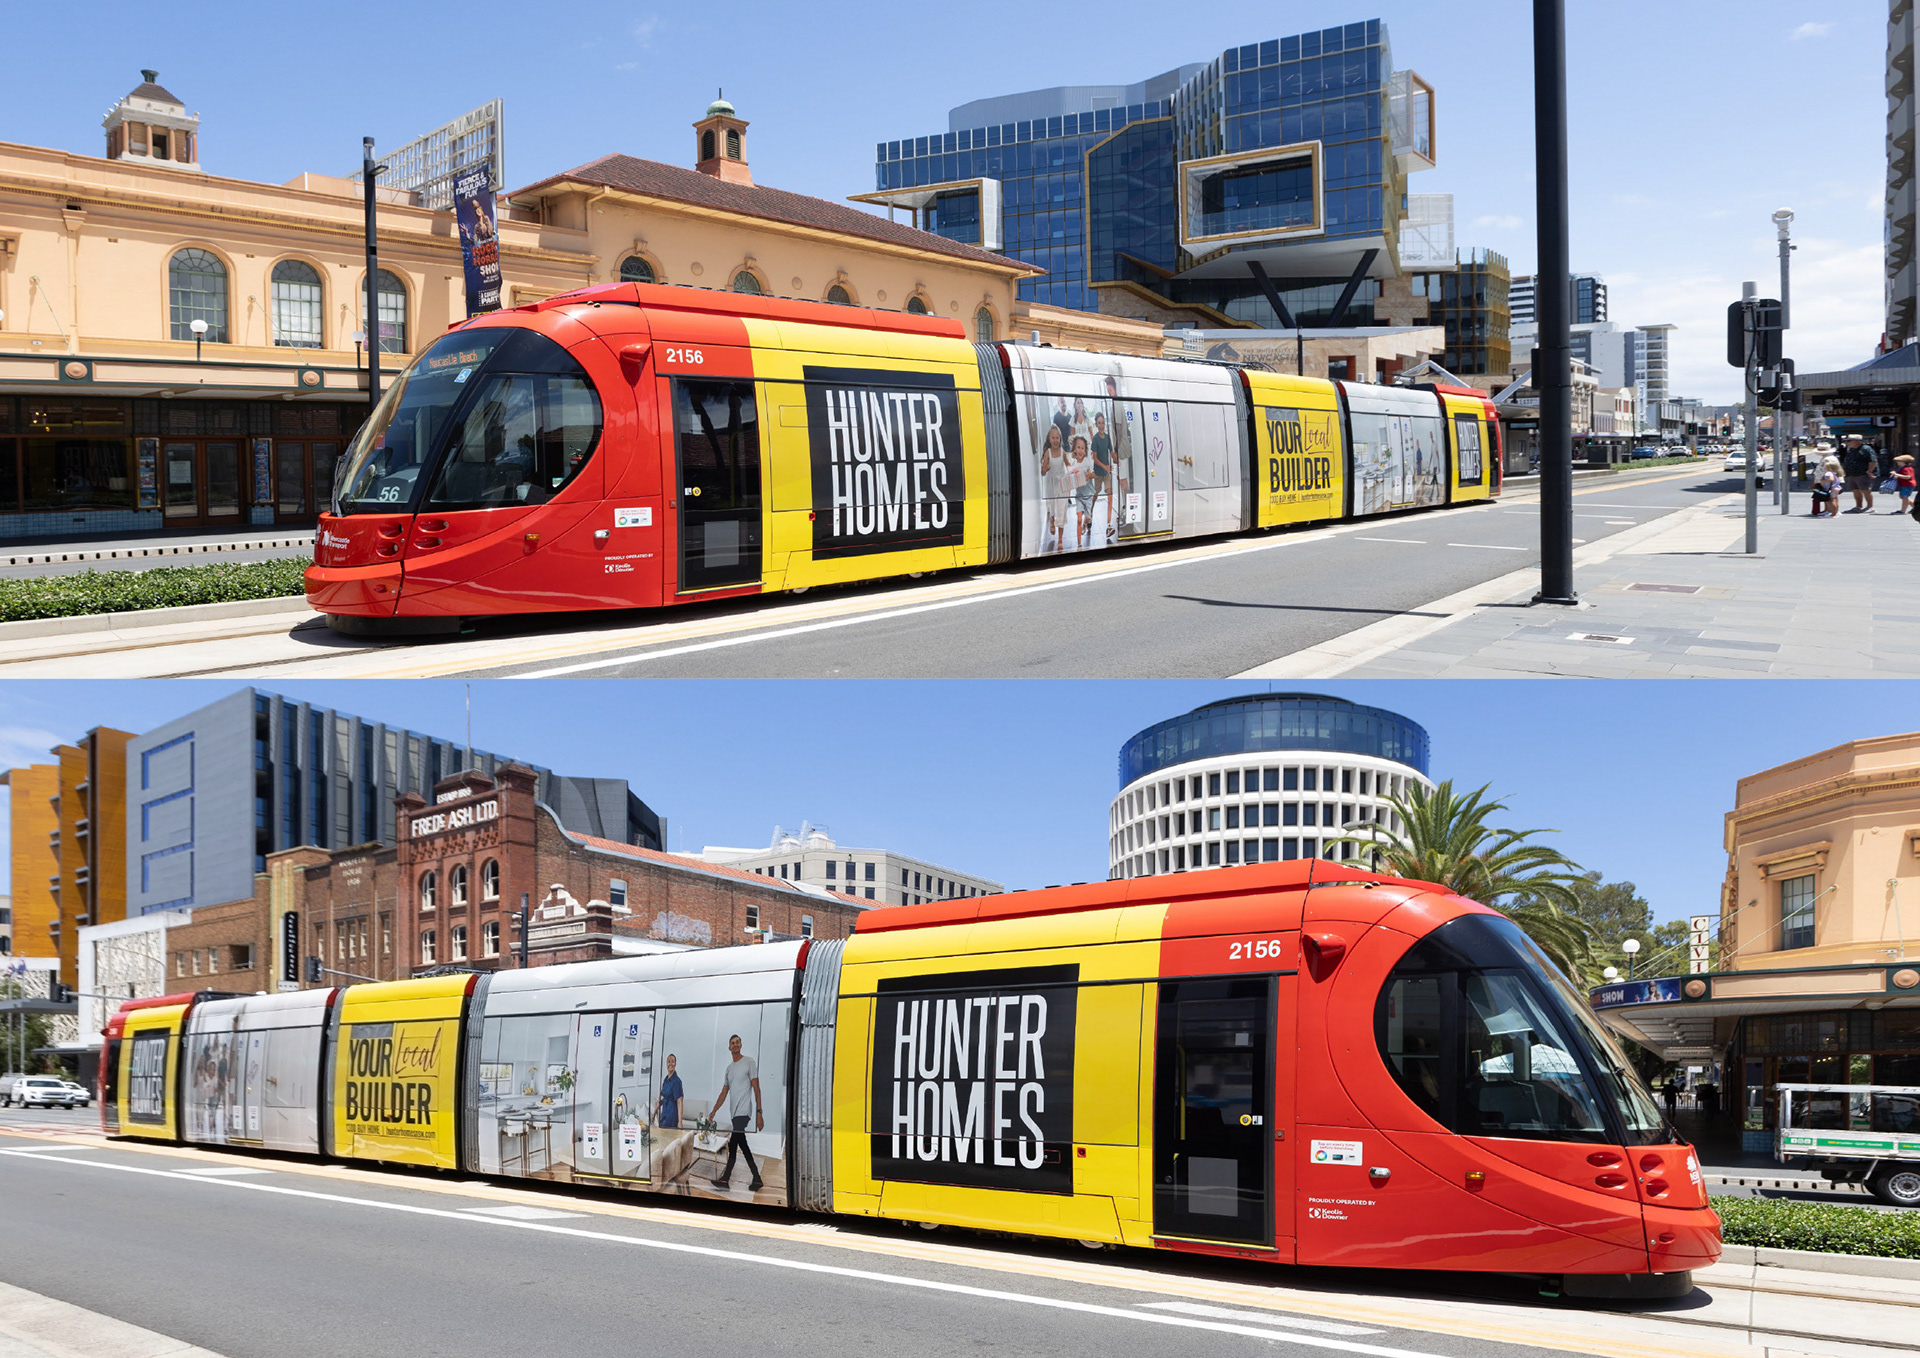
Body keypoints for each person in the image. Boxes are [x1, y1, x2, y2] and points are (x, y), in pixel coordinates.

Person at [708, 1033, 763, 1193]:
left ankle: (725, 1178)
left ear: (741, 1045)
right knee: (742, 1145)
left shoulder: (749, 1062)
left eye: (738, 1042)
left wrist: (759, 1112)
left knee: (733, 1144)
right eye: (732, 1043)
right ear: (729, 1047)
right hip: (734, 1113)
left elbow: (756, 1088)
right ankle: (757, 1178)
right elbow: (723, 1093)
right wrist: (713, 1111)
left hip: (744, 1112)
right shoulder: (729, 1069)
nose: (735, 1044)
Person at [1089, 412, 1116, 541]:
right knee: (1095, 496)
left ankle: (1108, 526)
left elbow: (1111, 452)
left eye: (1103, 423)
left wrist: (1116, 458)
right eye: (1099, 423)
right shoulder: (1095, 439)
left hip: (1106, 474)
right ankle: (1090, 514)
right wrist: (1104, 466)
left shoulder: (1108, 437)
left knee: (1110, 496)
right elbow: (1094, 458)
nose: (1101, 425)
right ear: (1096, 424)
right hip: (1098, 473)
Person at [1841, 435, 1878, 512]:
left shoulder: (1865, 449)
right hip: (1852, 474)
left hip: (1862, 473)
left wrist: (1870, 471)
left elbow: (1873, 461)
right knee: (1855, 490)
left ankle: (1870, 507)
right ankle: (1858, 506)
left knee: (1865, 490)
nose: (1847, 443)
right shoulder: (1851, 450)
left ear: (1857, 441)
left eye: (1849, 441)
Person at [655, 1052, 684, 1129]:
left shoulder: (677, 1081)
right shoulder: (665, 1080)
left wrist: (680, 1122)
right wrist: (654, 1113)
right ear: (666, 1064)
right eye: (668, 1061)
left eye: (672, 1061)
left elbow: (680, 1101)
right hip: (664, 1114)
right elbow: (661, 1097)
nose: (670, 1064)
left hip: (672, 1116)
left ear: (675, 1064)